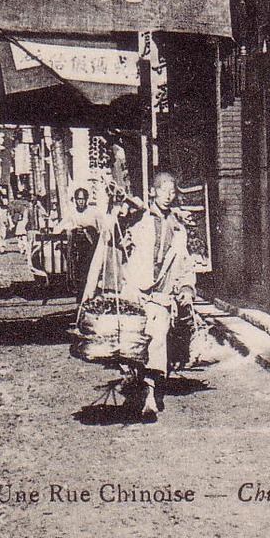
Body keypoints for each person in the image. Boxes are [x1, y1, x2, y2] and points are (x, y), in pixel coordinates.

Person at [116, 171, 198, 420]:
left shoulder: (178, 228)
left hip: (161, 295)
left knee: (158, 338)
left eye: (172, 191)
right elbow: (117, 234)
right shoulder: (138, 220)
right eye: (162, 189)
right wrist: (117, 209)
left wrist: (186, 288)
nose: (168, 195)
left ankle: (150, 393)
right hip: (135, 290)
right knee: (132, 343)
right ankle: (136, 380)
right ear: (153, 191)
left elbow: (185, 263)